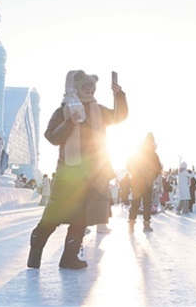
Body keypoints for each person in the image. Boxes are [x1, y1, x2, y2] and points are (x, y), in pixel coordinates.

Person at [27, 69, 127, 270]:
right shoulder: (63, 110)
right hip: (69, 173)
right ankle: (35, 252)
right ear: (76, 87)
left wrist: (119, 95)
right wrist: (70, 121)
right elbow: (52, 137)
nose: (89, 89)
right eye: (85, 86)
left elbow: (119, 117)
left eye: (92, 86)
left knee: (82, 218)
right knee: (53, 216)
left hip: (93, 173)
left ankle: (69, 258)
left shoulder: (99, 110)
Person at [127, 132, 162, 232]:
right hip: (147, 182)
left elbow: (129, 164)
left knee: (135, 202)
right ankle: (146, 225)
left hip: (136, 181)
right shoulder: (154, 154)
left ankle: (131, 224)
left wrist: (134, 173)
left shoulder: (137, 153)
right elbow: (158, 168)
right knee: (147, 204)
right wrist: (152, 176)